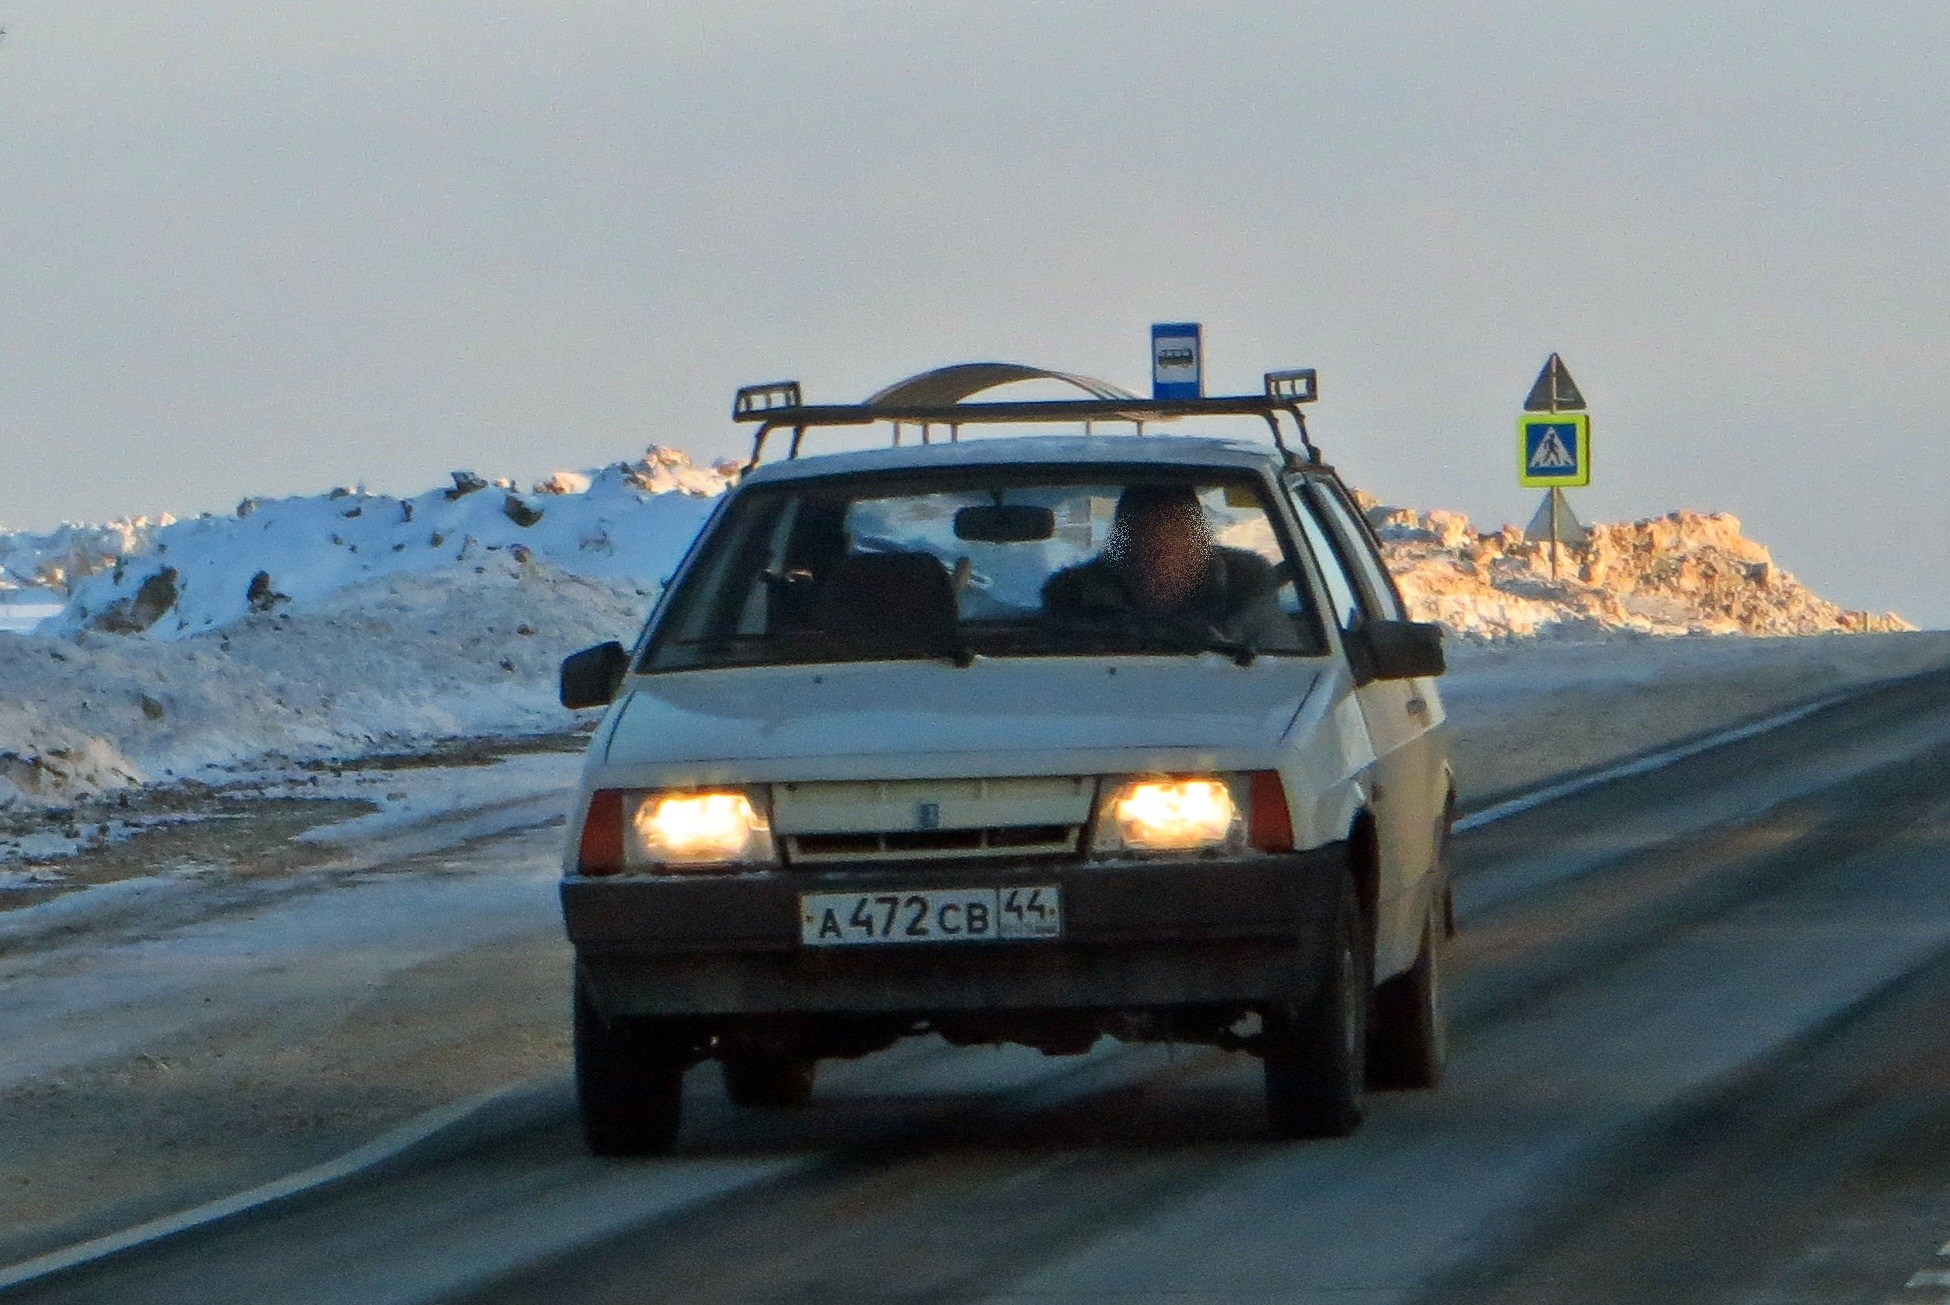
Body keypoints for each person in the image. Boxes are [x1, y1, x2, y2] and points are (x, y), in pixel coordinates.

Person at [1041, 484, 1301, 651]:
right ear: (1124, 542)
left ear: (1197, 541)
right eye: (1144, 532)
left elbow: (1284, 674)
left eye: (1174, 532)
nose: (1159, 547)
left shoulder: (1247, 597)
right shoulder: (1076, 606)